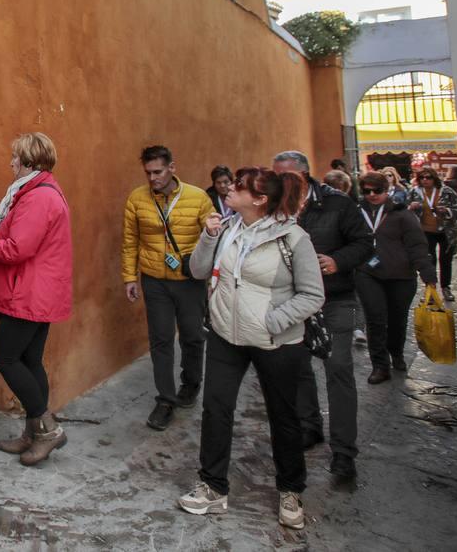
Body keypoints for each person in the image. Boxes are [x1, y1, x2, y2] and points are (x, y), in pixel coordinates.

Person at [179, 167, 323, 531]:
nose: (229, 189)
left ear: (259, 200)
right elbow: (197, 272)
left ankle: (291, 490)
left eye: (239, 187)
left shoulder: (293, 239)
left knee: (283, 416)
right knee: (216, 410)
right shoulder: (226, 228)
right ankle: (212, 486)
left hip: (276, 342)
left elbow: (312, 294)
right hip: (227, 336)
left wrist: (272, 322)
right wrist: (208, 237)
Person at [0, 132, 73, 466]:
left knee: (4, 356)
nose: (10, 163)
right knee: (31, 360)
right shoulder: (36, 191)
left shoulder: (38, 198)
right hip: (36, 292)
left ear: (29, 162)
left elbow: (16, 248)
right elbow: (12, 230)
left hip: (30, 293)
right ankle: (33, 433)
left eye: (14, 157)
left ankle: (48, 431)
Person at [271, 151, 373, 480]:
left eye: (286, 176)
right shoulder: (275, 206)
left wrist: (337, 260)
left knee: (339, 370)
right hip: (294, 300)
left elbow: (365, 243)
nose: (280, 182)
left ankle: (344, 452)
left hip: (335, 299)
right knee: (298, 368)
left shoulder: (338, 204)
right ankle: (309, 426)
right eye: (276, 176)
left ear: (305, 175)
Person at [121, 145, 215, 430]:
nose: (153, 178)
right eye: (148, 173)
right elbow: (130, 241)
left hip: (189, 281)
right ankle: (165, 399)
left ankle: (191, 383)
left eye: (158, 172)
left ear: (172, 168)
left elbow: (212, 238)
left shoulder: (198, 198)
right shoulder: (137, 199)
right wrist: (129, 277)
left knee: (192, 335)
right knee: (160, 339)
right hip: (154, 279)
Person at [355, 172, 437, 383]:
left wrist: (428, 274)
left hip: (401, 275)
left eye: (377, 191)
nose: (372, 195)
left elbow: (417, 246)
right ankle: (380, 366)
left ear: (387, 190)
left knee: (397, 319)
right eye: (367, 191)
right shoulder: (356, 214)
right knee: (375, 319)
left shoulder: (402, 214)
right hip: (368, 273)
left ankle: (397, 353)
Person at [408, 167, 457, 302]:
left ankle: (446, 287)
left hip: (446, 231)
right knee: (428, 261)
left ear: (434, 178)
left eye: (428, 177)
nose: (425, 180)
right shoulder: (415, 192)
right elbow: (405, 210)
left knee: (446, 259)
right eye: (422, 177)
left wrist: (447, 211)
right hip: (425, 231)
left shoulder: (446, 191)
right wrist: (411, 207)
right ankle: (430, 288)